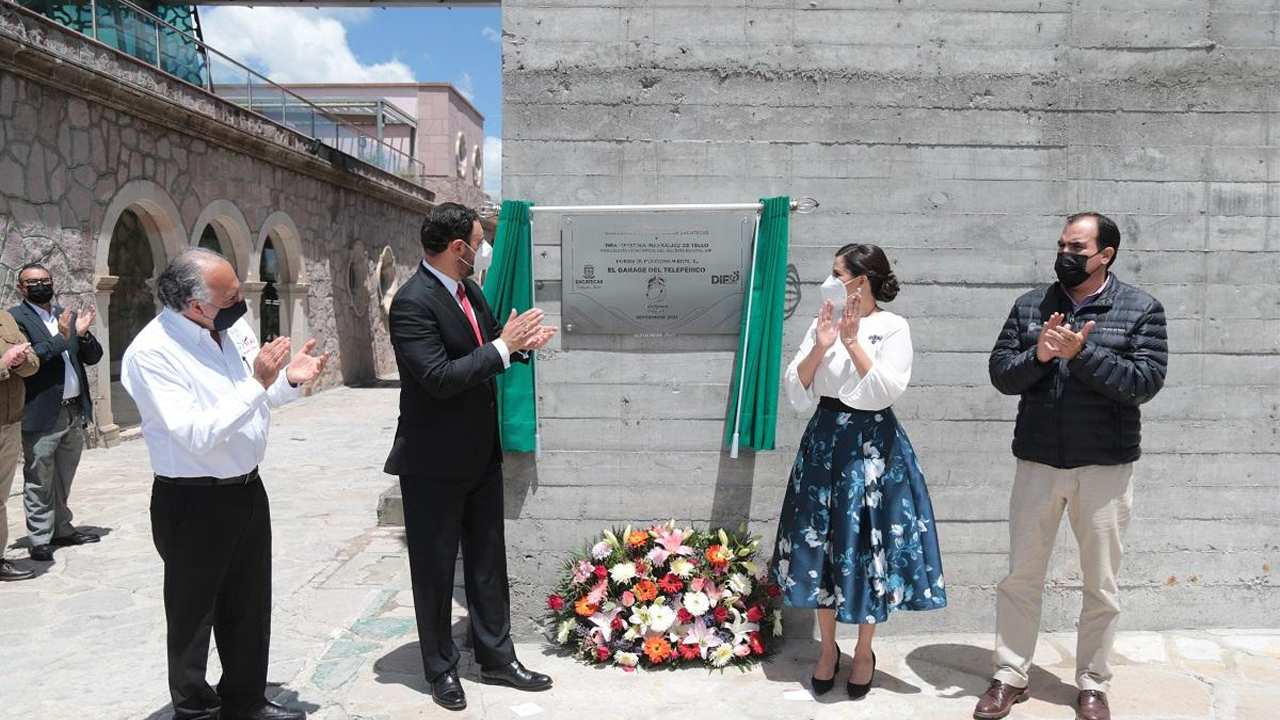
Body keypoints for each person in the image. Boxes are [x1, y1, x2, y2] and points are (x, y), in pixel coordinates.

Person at [121, 248, 330, 720]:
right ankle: (194, 710)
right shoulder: (152, 354)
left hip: (247, 490)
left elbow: (258, 397)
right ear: (194, 305)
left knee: (250, 604)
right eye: (230, 295)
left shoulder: (231, 327)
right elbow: (197, 433)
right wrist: (258, 382)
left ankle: (245, 699)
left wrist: (287, 381)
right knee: (194, 614)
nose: (241, 302)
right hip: (192, 500)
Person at [976, 212, 1168, 720]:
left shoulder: (1141, 308)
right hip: (1038, 461)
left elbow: (1143, 383)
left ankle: (1092, 684)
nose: (1066, 253)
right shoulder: (1031, 305)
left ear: (1106, 254)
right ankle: (1009, 675)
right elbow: (1000, 374)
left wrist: (1081, 355)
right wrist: (1038, 356)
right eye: (1062, 244)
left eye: (1077, 247)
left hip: (1104, 468)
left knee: (1100, 583)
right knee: (1021, 576)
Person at [384, 202, 557, 711]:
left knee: (486, 562)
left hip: (480, 453)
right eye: (480, 242)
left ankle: (497, 658)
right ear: (458, 247)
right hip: (433, 462)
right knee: (436, 571)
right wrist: (503, 348)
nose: (484, 251)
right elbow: (438, 377)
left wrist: (520, 346)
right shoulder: (412, 303)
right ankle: (440, 669)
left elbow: (488, 352)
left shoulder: (470, 291)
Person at [770, 243, 947, 700]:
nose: (828, 281)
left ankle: (864, 651)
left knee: (869, 543)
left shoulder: (892, 326)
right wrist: (824, 345)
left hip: (873, 445)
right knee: (821, 543)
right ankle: (827, 650)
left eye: (836, 273)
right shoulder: (820, 321)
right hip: (825, 440)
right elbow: (795, 387)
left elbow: (887, 389)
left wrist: (852, 344)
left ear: (861, 281)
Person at [11, 263, 103, 563]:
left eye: (45, 280)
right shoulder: (16, 319)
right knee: (39, 477)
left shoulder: (65, 315)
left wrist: (83, 335)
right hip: (41, 411)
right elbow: (30, 359)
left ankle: (61, 529)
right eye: (33, 282)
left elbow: (93, 356)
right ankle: (39, 538)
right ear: (21, 288)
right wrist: (63, 338)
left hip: (72, 410)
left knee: (64, 477)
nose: (41, 285)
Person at [0, 309, 39, 581]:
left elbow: (33, 363)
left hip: (9, 421)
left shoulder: (6, 319)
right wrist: (4, 363)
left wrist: (22, 360)